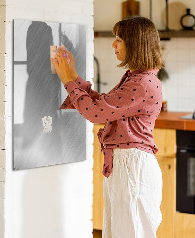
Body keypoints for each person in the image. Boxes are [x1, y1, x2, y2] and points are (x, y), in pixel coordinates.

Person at [51, 16, 165, 238]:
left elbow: (95, 113)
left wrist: (67, 80)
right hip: (127, 165)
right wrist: (73, 76)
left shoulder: (141, 83)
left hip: (132, 167)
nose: (113, 44)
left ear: (135, 44)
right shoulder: (137, 78)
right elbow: (103, 105)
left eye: (119, 39)